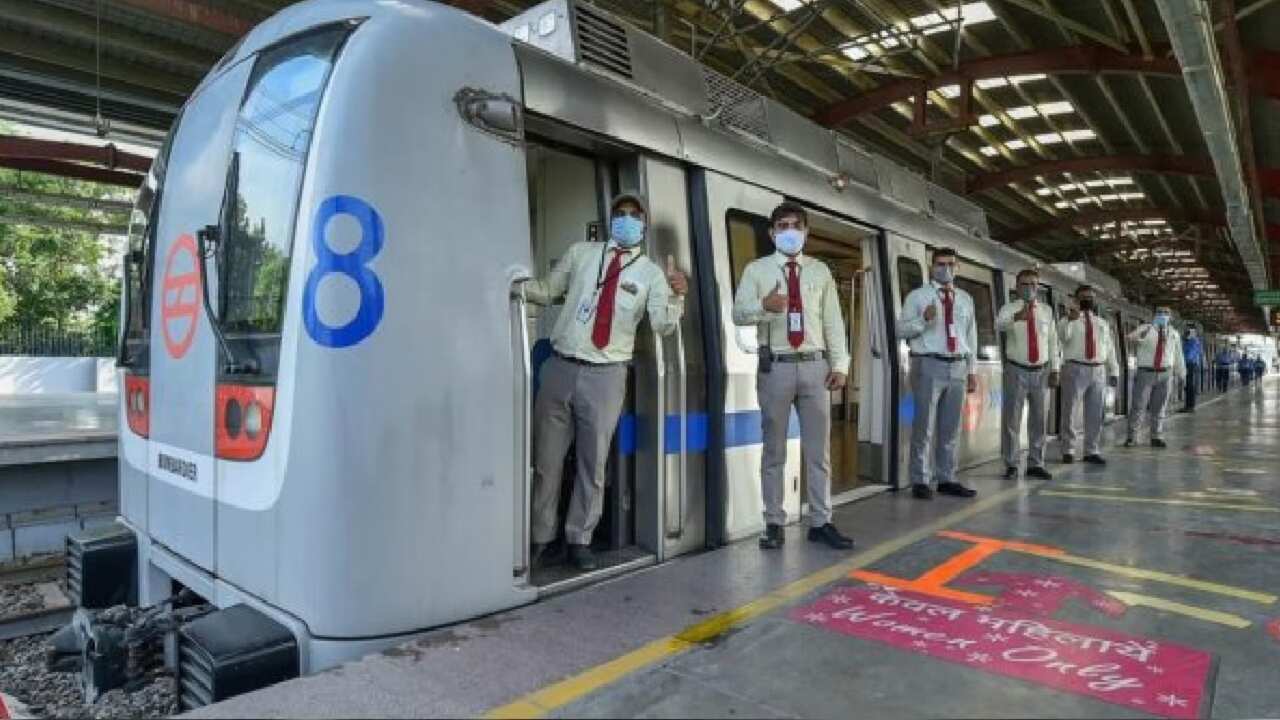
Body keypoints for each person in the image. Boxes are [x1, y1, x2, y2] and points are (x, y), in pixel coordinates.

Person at [522, 193, 688, 570]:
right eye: (620, 213)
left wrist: (679, 296)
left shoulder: (651, 274)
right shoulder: (581, 253)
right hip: (559, 367)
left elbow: (662, 325)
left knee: (591, 464)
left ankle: (579, 538)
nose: (626, 219)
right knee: (546, 461)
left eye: (634, 215)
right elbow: (547, 291)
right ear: (610, 219)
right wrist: (509, 284)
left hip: (606, 376)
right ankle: (540, 538)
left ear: (643, 224)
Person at [732, 202, 854, 551]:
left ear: (806, 232)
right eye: (782, 226)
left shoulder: (820, 272)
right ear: (772, 233)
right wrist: (763, 308)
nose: (789, 231)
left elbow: (833, 322)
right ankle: (774, 522)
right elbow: (739, 313)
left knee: (819, 451)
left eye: (796, 226)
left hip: (815, 366)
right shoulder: (756, 271)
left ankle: (821, 521)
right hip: (777, 367)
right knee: (774, 450)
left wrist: (840, 365)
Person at [896, 248, 979, 500]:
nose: (946, 269)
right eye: (941, 264)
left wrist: (971, 370)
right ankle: (920, 479)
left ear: (958, 267)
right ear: (931, 267)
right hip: (928, 364)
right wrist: (923, 319)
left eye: (951, 264)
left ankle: (946, 478)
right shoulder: (917, 297)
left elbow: (971, 337)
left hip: (958, 366)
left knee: (950, 427)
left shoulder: (965, 299)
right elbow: (900, 330)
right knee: (924, 426)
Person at [995, 269, 1059, 480]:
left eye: (1033, 284)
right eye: (1024, 284)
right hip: (1016, 369)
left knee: (1039, 420)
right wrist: (1016, 318)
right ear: (1016, 286)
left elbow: (1052, 342)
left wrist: (1055, 369)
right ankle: (1012, 463)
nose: (1029, 288)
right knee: (1012, 419)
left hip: (1041, 371)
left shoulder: (1047, 311)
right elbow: (998, 326)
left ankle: (1036, 463)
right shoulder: (1008, 309)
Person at [1058, 285, 1119, 464]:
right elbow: (1062, 338)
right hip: (1074, 367)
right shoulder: (1066, 321)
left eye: (1090, 297)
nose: (1088, 300)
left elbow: (1109, 348)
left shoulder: (1102, 323)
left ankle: (1091, 450)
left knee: (1095, 411)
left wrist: (1114, 369)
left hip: (1098, 369)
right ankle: (1068, 449)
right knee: (1070, 410)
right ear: (1076, 299)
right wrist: (1070, 319)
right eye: (1084, 297)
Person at [1125, 307, 1185, 448]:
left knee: (1159, 407)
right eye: (1159, 313)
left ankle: (1156, 436)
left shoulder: (1174, 334)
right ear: (1154, 315)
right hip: (1146, 372)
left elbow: (1178, 354)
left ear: (1170, 317)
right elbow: (1130, 338)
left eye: (1166, 313)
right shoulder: (1145, 328)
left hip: (1166, 373)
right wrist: (1145, 332)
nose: (1162, 315)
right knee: (1138, 405)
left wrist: (1182, 373)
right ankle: (1132, 437)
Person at [1179, 326, 1203, 412]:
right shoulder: (1193, 341)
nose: (1185, 334)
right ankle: (1188, 405)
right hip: (1190, 364)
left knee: (1189, 385)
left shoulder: (1193, 341)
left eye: (1187, 332)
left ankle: (1190, 406)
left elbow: (1189, 354)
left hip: (1189, 364)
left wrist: (1182, 361)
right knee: (1188, 385)